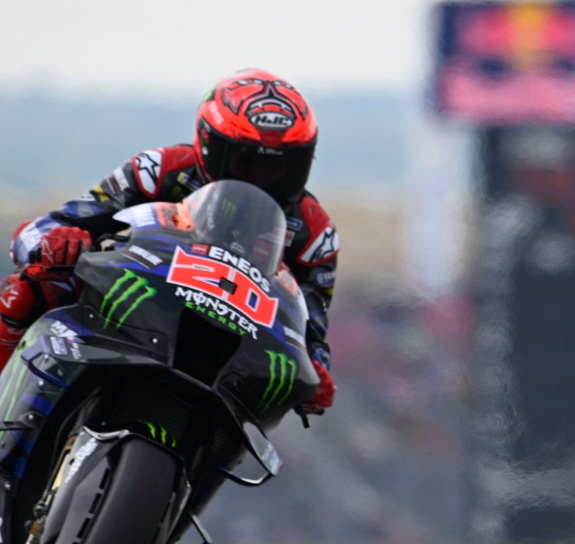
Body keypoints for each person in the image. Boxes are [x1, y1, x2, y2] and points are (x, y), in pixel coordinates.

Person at [3, 69, 338, 414]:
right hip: (130, 304)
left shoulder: (315, 234)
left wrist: (316, 377)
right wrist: (54, 243)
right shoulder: (158, 170)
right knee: (25, 289)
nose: (261, 179)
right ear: (209, 144)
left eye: (279, 168)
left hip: (234, 350)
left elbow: (312, 334)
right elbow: (38, 231)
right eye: (247, 162)